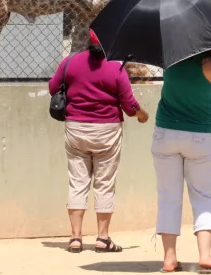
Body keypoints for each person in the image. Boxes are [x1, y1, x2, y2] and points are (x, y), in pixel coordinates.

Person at [51, 29, 149, 254]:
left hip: (75, 128)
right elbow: (129, 104)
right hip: (107, 130)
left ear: (88, 42)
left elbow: (52, 88)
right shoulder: (116, 67)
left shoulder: (70, 62)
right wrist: (143, 114)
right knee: (104, 184)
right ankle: (102, 239)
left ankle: (75, 238)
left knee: (78, 182)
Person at [151, 49, 211, 273]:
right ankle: (205, 254)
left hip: (165, 132)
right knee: (203, 195)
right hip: (200, 136)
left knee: (168, 197)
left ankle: (169, 258)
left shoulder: (169, 63)